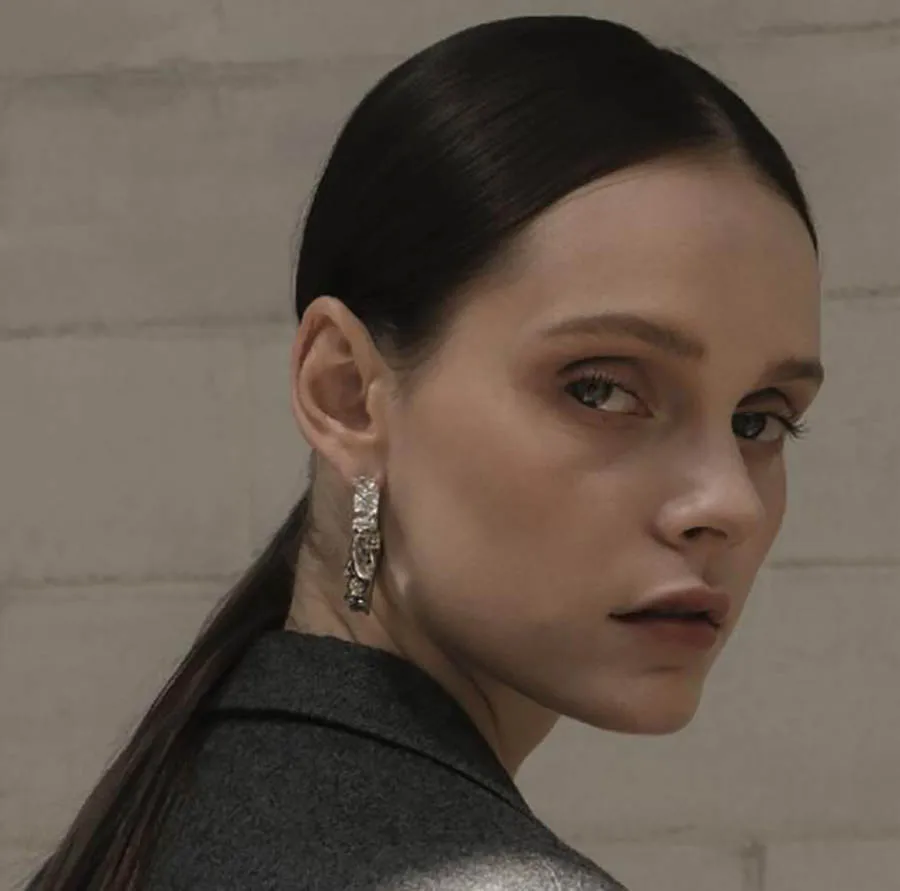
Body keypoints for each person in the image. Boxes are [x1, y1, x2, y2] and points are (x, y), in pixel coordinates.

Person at [26, 15, 825, 891]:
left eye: (760, 420)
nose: (729, 503)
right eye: (600, 388)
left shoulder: (159, 821)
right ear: (344, 392)